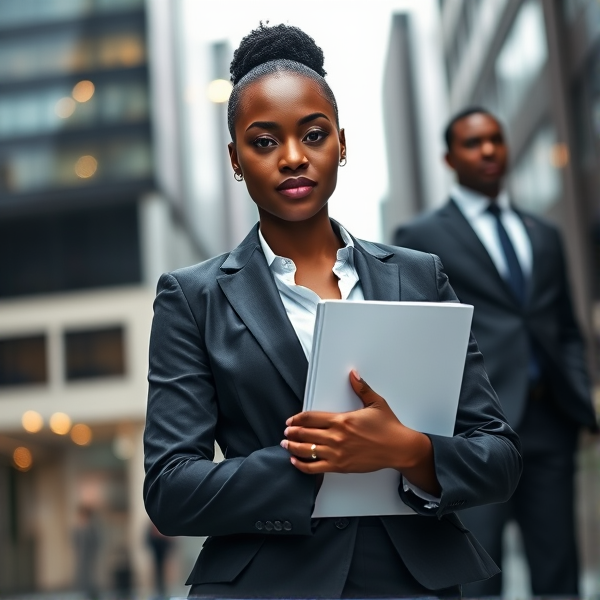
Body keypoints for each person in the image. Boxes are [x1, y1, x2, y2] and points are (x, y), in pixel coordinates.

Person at [143, 25, 521, 598]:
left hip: (412, 580)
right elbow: (170, 492)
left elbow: (498, 455)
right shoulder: (192, 299)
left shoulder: (420, 277)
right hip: (269, 582)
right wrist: (305, 461)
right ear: (235, 159)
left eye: (314, 135)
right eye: (264, 142)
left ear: (342, 143)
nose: (293, 158)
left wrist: (409, 450)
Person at [394, 107, 598, 596]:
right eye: (472, 143)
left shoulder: (542, 234)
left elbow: (565, 327)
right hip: (473, 432)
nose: (487, 150)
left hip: (551, 421)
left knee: (559, 571)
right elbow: (417, 338)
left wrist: (582, 401)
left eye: (495, 140)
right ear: (448, 157)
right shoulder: (420, 240)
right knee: (479, 573)